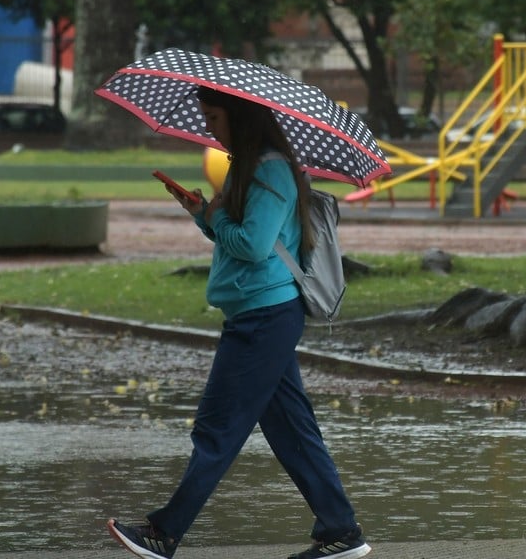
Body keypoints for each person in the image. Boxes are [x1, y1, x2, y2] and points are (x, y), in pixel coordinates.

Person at [107, 86, 370, 559]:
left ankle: (163, 533)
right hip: (258, 314)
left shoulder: (271, 169)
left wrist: (218, 220)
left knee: (217, 427)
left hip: (264, 317)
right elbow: (244, 238)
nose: (208, 127)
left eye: (214, 117)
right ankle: (341, 532)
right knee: (292, 430)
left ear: (239, 118)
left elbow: (251, 244)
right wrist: (203, 216)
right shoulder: (247, 168)